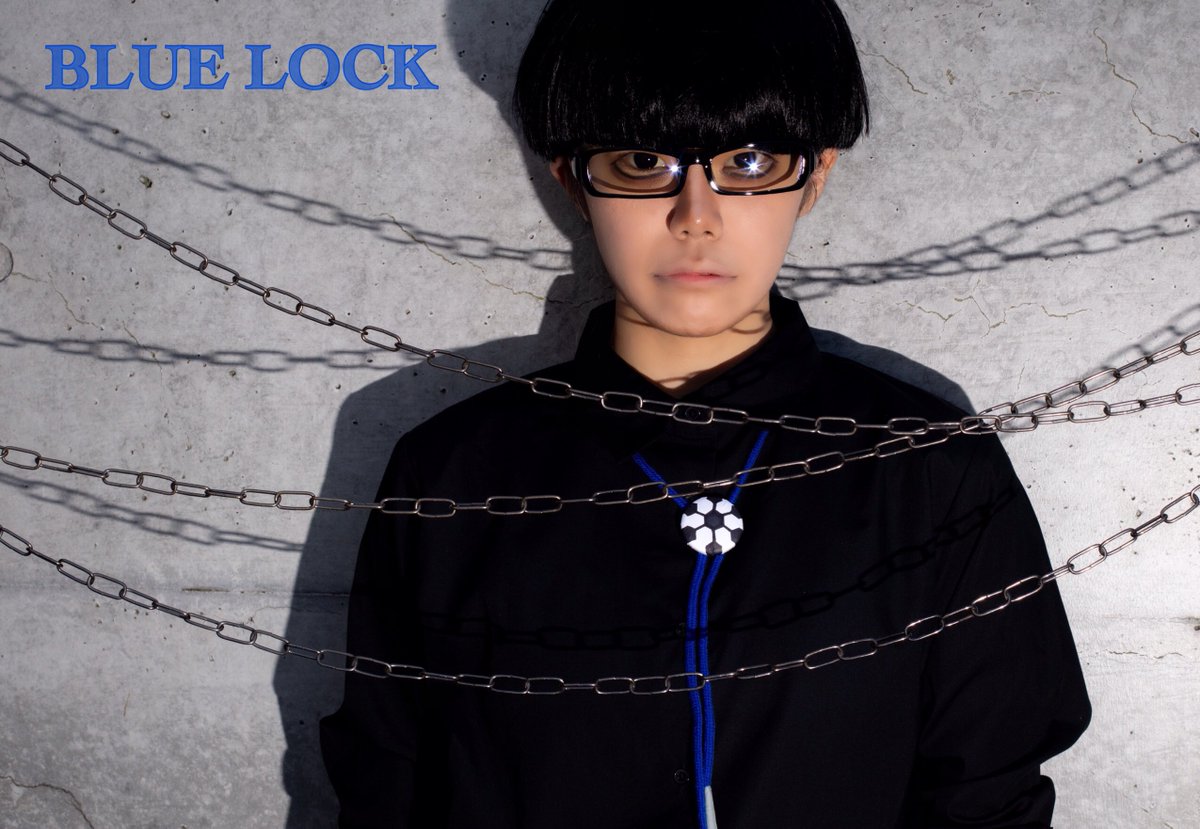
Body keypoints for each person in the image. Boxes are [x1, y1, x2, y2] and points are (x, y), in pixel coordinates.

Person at [319, 1, 1091, 826]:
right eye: (642, 161)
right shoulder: (448, 477)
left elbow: (989, 796)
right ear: (573, 179)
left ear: (816, 175)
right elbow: (386, 788)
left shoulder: (934, 474)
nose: (696, 215)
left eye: (749, 162)